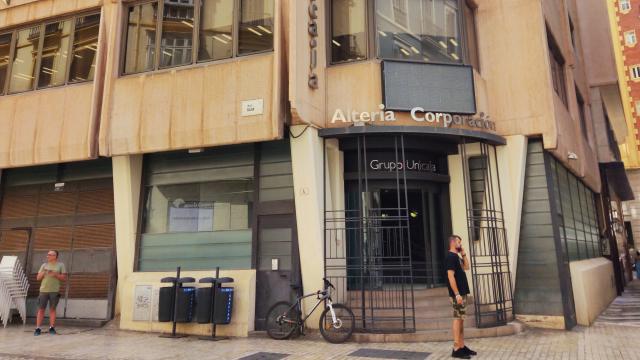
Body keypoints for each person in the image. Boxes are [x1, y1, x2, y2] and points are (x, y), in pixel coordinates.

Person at [446, 235, 476, 359]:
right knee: (457, 319)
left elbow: (467, 267)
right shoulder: (450, 257)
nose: (460, 244)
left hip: (462, 293)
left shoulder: (456, 256)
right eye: (459, 242)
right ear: (453, 242)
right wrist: (457, 294)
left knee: (461, 319)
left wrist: (463, 254)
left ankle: (462, 346)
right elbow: (450, 276)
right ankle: (456, 348)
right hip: (457, 294)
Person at [34, 250, 67, 336]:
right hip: (43, 290)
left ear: (55, 256)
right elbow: (38, 278)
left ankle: (51, 328)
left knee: (52, 309)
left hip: (54, 290)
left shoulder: (61, 265)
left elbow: (63, 278)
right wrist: (44, 272)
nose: (47, 256)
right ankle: (38, 328)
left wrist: (55, 274)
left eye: (50, 255)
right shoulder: (44, 265)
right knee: (41, 309)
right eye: (47, 255)